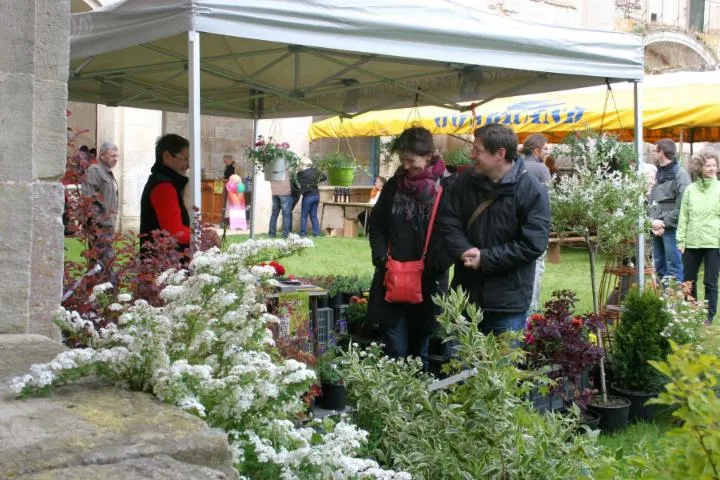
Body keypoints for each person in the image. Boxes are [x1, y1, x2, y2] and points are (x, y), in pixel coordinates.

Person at [438, 124, 550, 336]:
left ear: (500, 154)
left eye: (477, 150)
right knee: (457, 366)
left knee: (501, 367)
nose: (471, 155)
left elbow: (533, 243)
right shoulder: (464, 183)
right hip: (465, 296)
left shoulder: (531, 190)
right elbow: (448, 222)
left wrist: (485, 258)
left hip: (507, 303)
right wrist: (463, 250)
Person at [367, 127, 453, 369]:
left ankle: (417, 403)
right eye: (402, 160)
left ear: (429, 156)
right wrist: (381, 256)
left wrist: (436, 263)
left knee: (420, 352)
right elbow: (376, 225)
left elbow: (453, 233)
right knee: (393, 348)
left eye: (411, 160)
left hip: (428, 282)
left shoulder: (446, 188)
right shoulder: (394, 186)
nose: (405, 166)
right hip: (392, 278)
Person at [676, 149, 720, 324]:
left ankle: (709, 317)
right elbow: (684, 216)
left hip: (713, 242)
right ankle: (692, 313)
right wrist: (680, 240)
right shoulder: (690, 190)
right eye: (707, 165)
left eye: (714, 165)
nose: (711, 168)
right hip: (692, 243)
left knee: (710, 282)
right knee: (688, 281)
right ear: (699, 167)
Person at [140, 134, 191, 253]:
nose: (188, 165)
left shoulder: (162, 182)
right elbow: (174, 232)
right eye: (186, 158)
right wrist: (203, 235)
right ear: (167, 156)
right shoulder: (163, 186)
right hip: (163, 264)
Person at [649, 138, 691, 283]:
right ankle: (663, 302)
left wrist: (663, 223)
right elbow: (653, 200)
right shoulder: (658, 173)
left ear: (661, 153)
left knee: (673, 268)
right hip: (656, 228)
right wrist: (652, 223)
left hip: (671, 228)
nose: (652, 153)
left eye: (654, 151)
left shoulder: (681, 175)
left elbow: (684, 206)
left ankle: (675, 304)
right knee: (659, 266)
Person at [520, 134, 552, 313]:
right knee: (537, 269)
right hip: (537, 227)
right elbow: (550, 198)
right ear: (535, 150)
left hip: (517, 227)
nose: (547, 152)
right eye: (545, 148)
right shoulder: (541, 169)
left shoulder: (516, 165)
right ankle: (532, 312)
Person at [81, 141, 119, 264]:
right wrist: (96, 223)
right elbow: (88, 197)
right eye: (113, 156)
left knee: (103, 262)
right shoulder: (94, 170)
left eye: (117, 156)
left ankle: (97, 283)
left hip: (108, 225)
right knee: (103, 261)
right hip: (100, 226)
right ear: (102, 155)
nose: (116, 159)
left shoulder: (108, 173)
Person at [295, 158, 327, 237]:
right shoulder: (315, 171)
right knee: (314, 216)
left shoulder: (300, 174)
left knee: (304, 215)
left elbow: (296, 183)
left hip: (308, 197)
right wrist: (316, 181)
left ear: (303, 165)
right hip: (316, 195)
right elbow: (325, 177)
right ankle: (317, 233)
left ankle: (303, 233)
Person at [269, 173, 293, 238]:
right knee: (286, 215)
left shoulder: (272, 166)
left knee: (274, 214)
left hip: (275, 192)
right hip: (284, 192)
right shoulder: (285, 165)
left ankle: (272, 234)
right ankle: (285, 234)